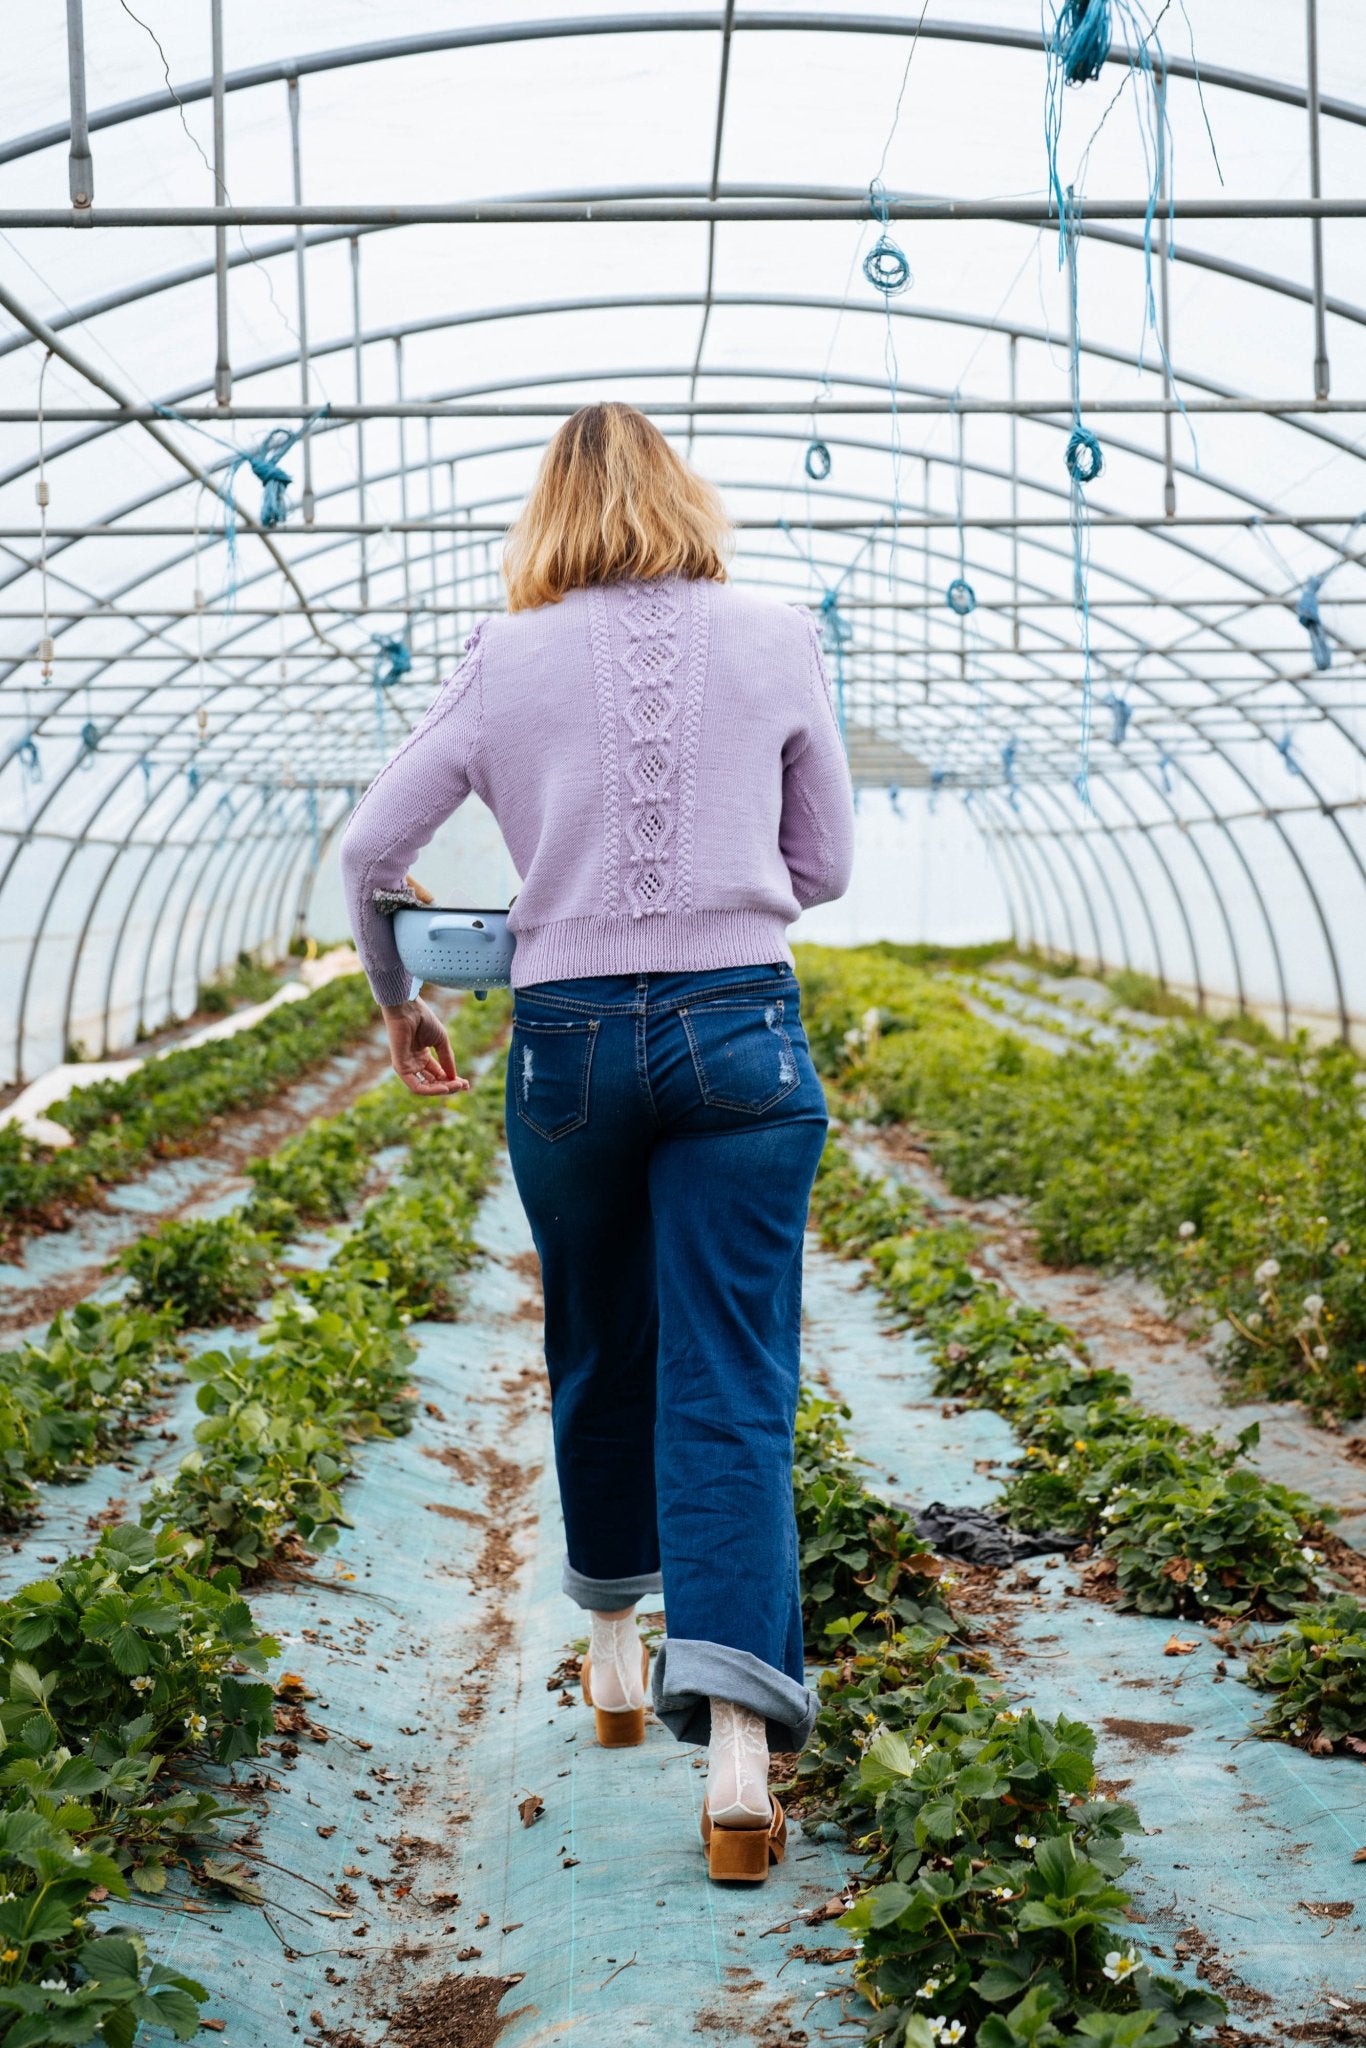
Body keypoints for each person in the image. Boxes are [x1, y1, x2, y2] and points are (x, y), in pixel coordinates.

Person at [340, 401, 854, 1883]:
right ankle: (743, 1758)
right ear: (684, 498)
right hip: (739, 1030)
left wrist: (403, 1001)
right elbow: (819, 861)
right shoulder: (776, 632)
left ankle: (620, 1658)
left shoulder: (506, 656)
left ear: (546, 519)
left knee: (597, 1339)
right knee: (733, 1371)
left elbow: (373, 852)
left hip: (562, 1042)